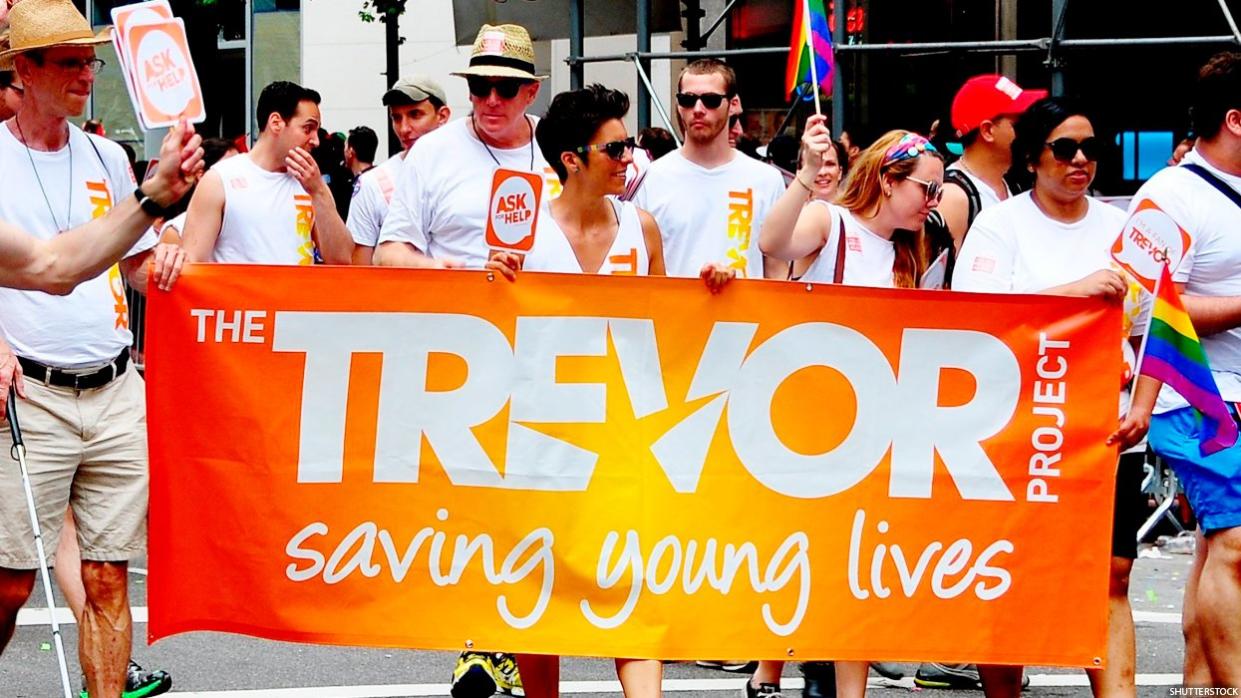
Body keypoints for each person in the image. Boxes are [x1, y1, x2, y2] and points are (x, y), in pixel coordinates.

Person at [487, 84, 739, 698]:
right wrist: (489, 284)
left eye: (628, 145)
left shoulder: (640, 226)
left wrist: (710, 287)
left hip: (626, 437)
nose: (629, 157)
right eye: (616, 146)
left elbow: (667, 324)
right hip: (542, 434)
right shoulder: (523, 235)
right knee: (538, 586)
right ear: (572, 159)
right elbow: (489, 336)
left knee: (631, 579)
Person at [0, 2, 197, 696]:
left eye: (92, 61)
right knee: (9, 584)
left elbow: (137, 264)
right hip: (29, 394)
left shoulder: (110, 156)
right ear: (24, 71)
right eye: (69, 62)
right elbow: (41, 267)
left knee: (109, 574)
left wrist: (170, 251)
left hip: (116, 389)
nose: (87, 73)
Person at [953, 97, 1155, 698]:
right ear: (1033, 157)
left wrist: (1143, 405)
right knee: (1007, 569)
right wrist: (1077, 291)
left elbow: (1153, 331)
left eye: (1092, 149)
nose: (1081, 161)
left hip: (1103, 426)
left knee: (1111, 575)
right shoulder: (1001, 224)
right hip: (1018, 425)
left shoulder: (1121, 229)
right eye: (1065, 149)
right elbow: (978, 320)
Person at [757, 130, 945, 698]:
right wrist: (807, 173)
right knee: (802, 552)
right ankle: (776, 671)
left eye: (937, 190)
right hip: (810, 420)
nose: (933, 201)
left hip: (873, 425)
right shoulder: (830, 221)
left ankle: (839, 686)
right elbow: (772, 240)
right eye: (926, 188)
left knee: (853, 565)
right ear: (888, 180)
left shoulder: (910, 252)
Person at [1136, 51, 1241, 687]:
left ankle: (1200, 685)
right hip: (1192, 397)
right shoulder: (1168, 195)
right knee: (1234, 547)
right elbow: (1143, 310)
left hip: (1232, 396)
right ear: (1236, 119)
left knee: (1215, 546)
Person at [375, 23, 556, 271]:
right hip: (464, 306)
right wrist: (435, 268)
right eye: (480, 87)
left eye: (506, 89)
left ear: (532, 92)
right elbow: (388, 251)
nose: (492, 100)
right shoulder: (432, 151)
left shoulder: (559, 142)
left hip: (551, 305)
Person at [632, 58, 785, 282]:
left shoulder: (767, 179)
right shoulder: (650, 178)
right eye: (687, 100)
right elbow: (639, 267)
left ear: (733, 104)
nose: (698, 109)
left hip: (747, 315)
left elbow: (777, 268)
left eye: (711, 100)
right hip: (673, 314)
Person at [179, 80, 353, 266]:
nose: (315, 140)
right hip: (238, 294)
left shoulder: (313, 185)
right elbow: (192, 263)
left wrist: (319, 192)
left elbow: (341, 260)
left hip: (297, 294)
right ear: (276, 123)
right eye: (307, 129)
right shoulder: (220, 180)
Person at [920, 75, 1046, 293]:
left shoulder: (1009, 185)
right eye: (1019, 123)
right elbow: (941, 287)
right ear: (988, 130)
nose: (1030, 131)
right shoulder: (954, 196)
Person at [348, 75, 450, 265]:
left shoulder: (464, 171)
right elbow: (360, 270)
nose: (404, 128)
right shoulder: (373, 183)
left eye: (415, 114)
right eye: (396, 117)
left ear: (442, 116)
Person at [759, 114, 848, 281]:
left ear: (840, 171)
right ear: (800, 171)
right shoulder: (790, 219)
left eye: (830, 164)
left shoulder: (855, 216)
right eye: (815, 165)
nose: (822, 172)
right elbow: (773, 262)